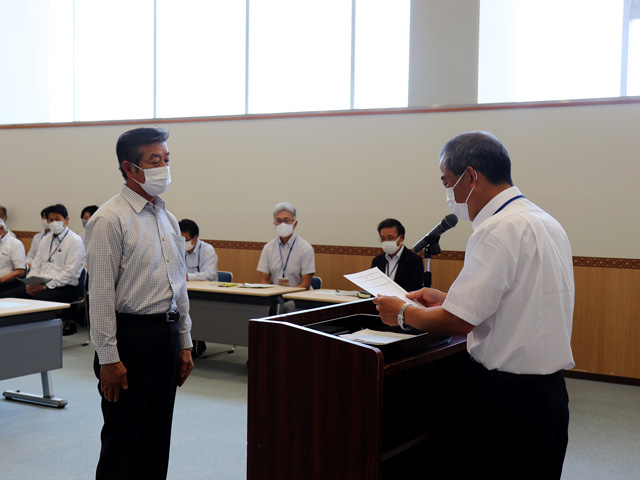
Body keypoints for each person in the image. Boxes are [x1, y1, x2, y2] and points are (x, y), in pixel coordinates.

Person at [373, 131, 574, 480]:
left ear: (470, 177)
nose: (448, 193)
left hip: (508, 397)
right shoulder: (545, 221)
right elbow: (520, 300)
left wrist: (402, 312)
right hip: (550, 393)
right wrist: (448, 299)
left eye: (447, 181)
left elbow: (458, 322)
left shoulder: (496, 229)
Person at [85, 127, 193, 480]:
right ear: (130, 168)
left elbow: (179, 286)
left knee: (156, 438)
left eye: (166, 159)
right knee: (123, 440)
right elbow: (100, 293)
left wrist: (184, 342)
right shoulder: (109, 219)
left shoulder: (167, 218)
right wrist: (108, 357)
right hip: (130, 339)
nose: (164, 167)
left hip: (166, 335)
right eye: (154, 160)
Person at [0, 204, 84, 329]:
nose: (54, 223)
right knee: (4, 298)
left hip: (65, 287)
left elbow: (69, 273)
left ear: (66, 220)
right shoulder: (45, 240)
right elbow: (36, 266)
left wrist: (44, 287)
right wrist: (30, 284)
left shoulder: (75, 241)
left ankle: (36, 332)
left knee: (36, 300)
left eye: (57, 219)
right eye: (50, 220)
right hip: (40, 284)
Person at [179, 218, 218, 357]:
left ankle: (197, 340)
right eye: (180, 239)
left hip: (206, 295)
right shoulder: (178, 249)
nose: (183, 243)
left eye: (186, 239)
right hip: (184, 292)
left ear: (195, 238)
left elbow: (210, 274)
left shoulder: (207, 250)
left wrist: (187, 276)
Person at [257, 202, 315, 288]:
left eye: (287, 220)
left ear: (295, 224)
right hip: (274, 294)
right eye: (278, 221)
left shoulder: (306, 248)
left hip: (298, 294)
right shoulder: (268, 248)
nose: (282, 224)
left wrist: (287, 295)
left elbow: (305, 285)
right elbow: (264, 281)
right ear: (274, 224)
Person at [371, 218, 424, 292]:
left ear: (401, 238)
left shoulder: (414, 260)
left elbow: (415, 287)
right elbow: (373, 284)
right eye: (383, 238)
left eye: (390, 238)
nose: (386, 242)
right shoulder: (377, 260)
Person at [0, 218, 26, 294]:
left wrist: (1, 279)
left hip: (7, 283)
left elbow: (21, 271)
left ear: (1, 229)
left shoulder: (15, 244)